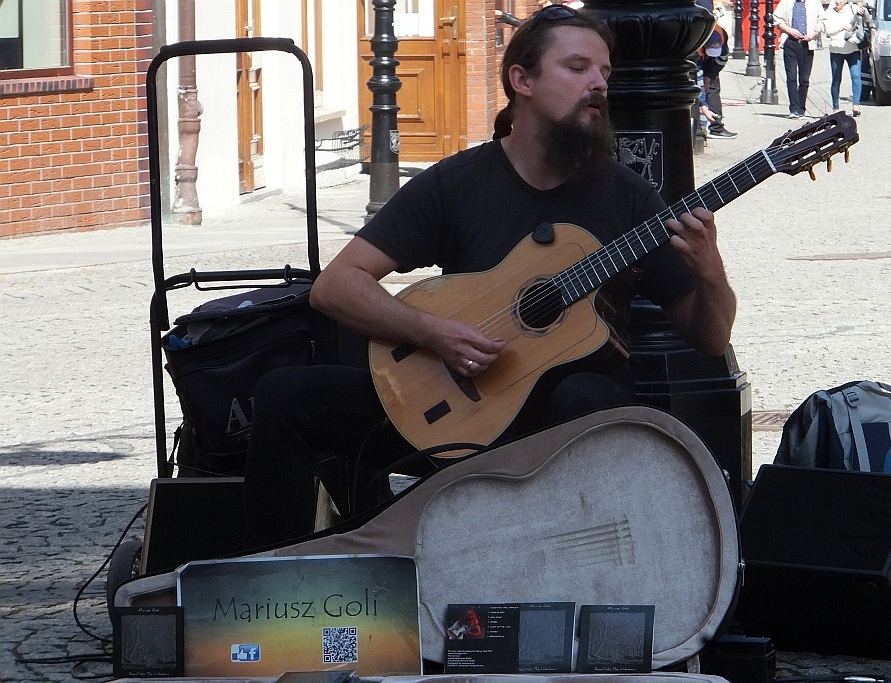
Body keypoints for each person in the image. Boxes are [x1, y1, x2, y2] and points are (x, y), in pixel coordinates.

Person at [243, 5, 737, 549]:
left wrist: (710, 272)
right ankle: (266, 580)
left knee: (586, 395)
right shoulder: (459, 183)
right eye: (577, 68)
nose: (598, 84)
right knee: (286, 394)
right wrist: (435, 334)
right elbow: (337, 286)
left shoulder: (627, 197)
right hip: (456, 407)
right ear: (521, 80)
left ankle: (571, 580)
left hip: (555, 425)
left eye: (605, 72)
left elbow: (709, 338)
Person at [775, 0, 824, 118]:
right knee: (791, 77)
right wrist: (789, 30)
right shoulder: (786, 2)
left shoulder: (815, 3)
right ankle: (793, 109)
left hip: (808, 44)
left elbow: (822, 21)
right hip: (790, 43)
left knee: (804, 79)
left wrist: (813, 33)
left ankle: (801, 108)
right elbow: (776, 18)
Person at [697, 0, 738, 138]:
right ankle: (700, 126)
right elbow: (696, 74)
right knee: (698, 87)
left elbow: (721, 59)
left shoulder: (721, 34)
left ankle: (716, 126)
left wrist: (709, 76)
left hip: (713, 59)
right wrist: (702, 103)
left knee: (713, 86)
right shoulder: (695, 36)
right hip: (697, 58)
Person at [820, 0, 865, 116]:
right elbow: (828, 32)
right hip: (836, 49)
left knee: (855, 76)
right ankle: (835, 107)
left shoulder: (853, 9)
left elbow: (863, 19)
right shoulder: (829, 13)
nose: (837, 1)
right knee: (836, 79)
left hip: (853, 48)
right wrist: (842, 27)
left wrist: (863, 13)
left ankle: (856, 105)